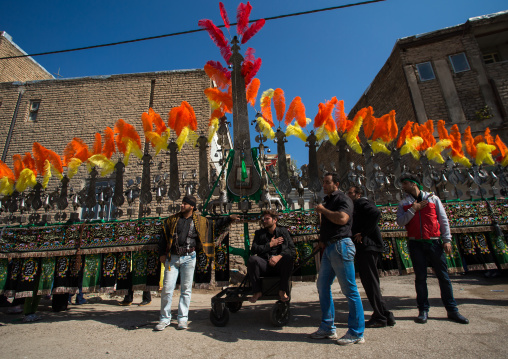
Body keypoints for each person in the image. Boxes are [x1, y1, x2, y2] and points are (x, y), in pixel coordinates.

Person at [154, 195, 238, 331]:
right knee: (167, 289)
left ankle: (182, 319)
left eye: (185, 204)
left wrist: (228, 218)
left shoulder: (199, 221)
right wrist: (162, 254)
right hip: (173, 258)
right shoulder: (172, 220)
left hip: (189, 257)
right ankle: (164, 319)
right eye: (182, 203)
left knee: (186, 290)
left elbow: (214, 224)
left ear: (192, 207)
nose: (182, 205)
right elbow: (163, 237)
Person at [396, 174, 468, 325]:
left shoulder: (433, 199)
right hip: (416, 243)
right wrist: (413, 210)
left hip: (434, 242)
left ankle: (452, 309)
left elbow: (443, 219)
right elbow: (400, 222)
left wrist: (447, 240)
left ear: (414, 184)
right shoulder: (404, 203)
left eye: (406, 184)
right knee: (421, 278)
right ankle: (423, 310)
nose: (403, 187)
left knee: (443, 277)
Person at [310, 172, 365, 346]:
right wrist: (321, 240)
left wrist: (323, 210)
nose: (324, 185)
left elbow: (342, 219)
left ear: (336, 184)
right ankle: (328, 326)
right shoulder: (328, 201)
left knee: (349, 290)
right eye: (323, 182)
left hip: (341, 246)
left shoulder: (343, 199)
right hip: (329, 248)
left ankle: (357, 332)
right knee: (322, 285)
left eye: (327, 183)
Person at [347, 186, 395, 328]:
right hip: (366, 247)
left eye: (350, 193)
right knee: (371, 282)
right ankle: (385, 314)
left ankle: (379, 317)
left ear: (358, 194)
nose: (348, 196)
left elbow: (376, 213)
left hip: (368, 246)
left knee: (370, 282)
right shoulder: (357, 205)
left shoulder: (362, 203)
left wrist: (364, 233)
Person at [247, 209, 296, 303]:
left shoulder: (283, 231)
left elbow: (291, 250)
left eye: (267, 219)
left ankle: (282, 290)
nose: (264, 221)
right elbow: (254, 249)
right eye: (263, 219)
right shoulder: (259, 233)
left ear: (275, 220)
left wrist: (278, 257)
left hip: (279, 266)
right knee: (252, 259)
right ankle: (257, 292)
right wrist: (270, 245)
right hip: (265, 265)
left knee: (288, 258)